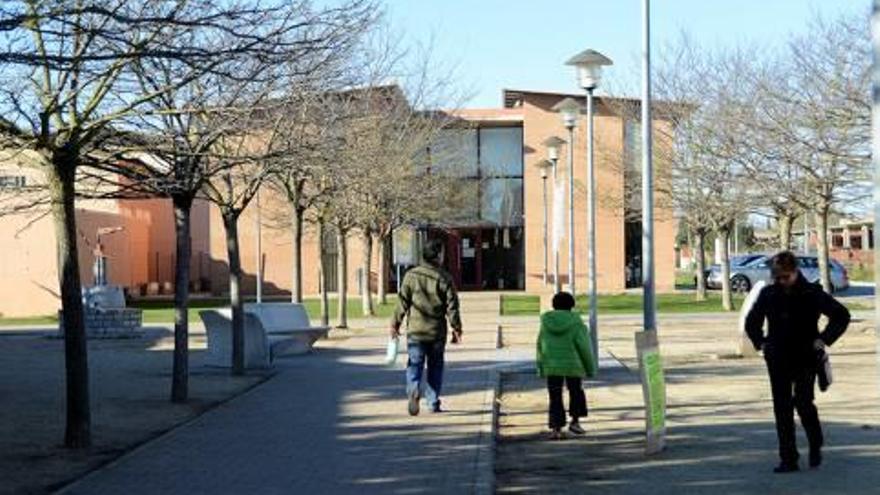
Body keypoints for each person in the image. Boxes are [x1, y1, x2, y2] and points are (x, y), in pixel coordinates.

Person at [745, 251, 850, 473]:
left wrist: (824, 339)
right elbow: (751, 321)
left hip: (805, 357)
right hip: (777, 357)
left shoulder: (812, 293)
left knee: (803, 403)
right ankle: (788, 458)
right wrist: (761, 343)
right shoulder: (769, 293)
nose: (781, 281)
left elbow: (841, 315)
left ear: (795, 272)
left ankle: (815, 442)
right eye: (778, 277)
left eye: (785, 277)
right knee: (782, 408)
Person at [391, 239, 462, 416]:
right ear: (438, 256)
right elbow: (452, 306)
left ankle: (413, 389)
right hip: (436, 332)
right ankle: (432, 401)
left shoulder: (411, 276)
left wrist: (395, 323)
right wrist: (456, 328)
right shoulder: (444, 277)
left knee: (414, 364)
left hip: (416, 331)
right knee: (435, 366)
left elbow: (402, 302)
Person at [536, 291, 597, 439]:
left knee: (555, 396)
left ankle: (556, 429)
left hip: (552, 364)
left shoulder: (545, 322)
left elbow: (540, 344)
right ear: (572, 306)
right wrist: (590, 368)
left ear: (553, 305)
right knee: (576, 391)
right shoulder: (576, 322)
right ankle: (575, 422)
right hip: (573, 364)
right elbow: (584, 346)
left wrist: (540, 366)